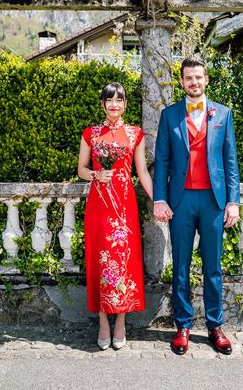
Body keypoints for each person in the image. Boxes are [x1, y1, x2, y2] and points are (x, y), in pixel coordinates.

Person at [153, 57, 240, 355]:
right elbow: (162, 161)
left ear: (206, 79)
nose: (194, 82)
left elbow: (231, 162)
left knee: (213, 267)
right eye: (189, 78)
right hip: (181, 200)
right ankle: (183, 326)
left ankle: (215, 326)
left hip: (213, 201)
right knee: (181, 266)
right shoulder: (169, 115)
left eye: (198, 77)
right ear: (181, 82)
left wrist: (233, 202)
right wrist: (160, 198)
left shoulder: (223, 114)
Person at [78, 82, 153, 350]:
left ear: (125, 104)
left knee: (124, 259)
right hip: (99, 205)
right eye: (109, 99)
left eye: (119, 100)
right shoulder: (91, 133)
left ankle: (120, 319)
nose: (114, 104)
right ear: (102, 104)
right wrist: (96, 174)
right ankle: (102, 320)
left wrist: (159, 200)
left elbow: (142, 171)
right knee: (99, 258)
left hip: (124, 205)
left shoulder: (135, 134)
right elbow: (81, 170)